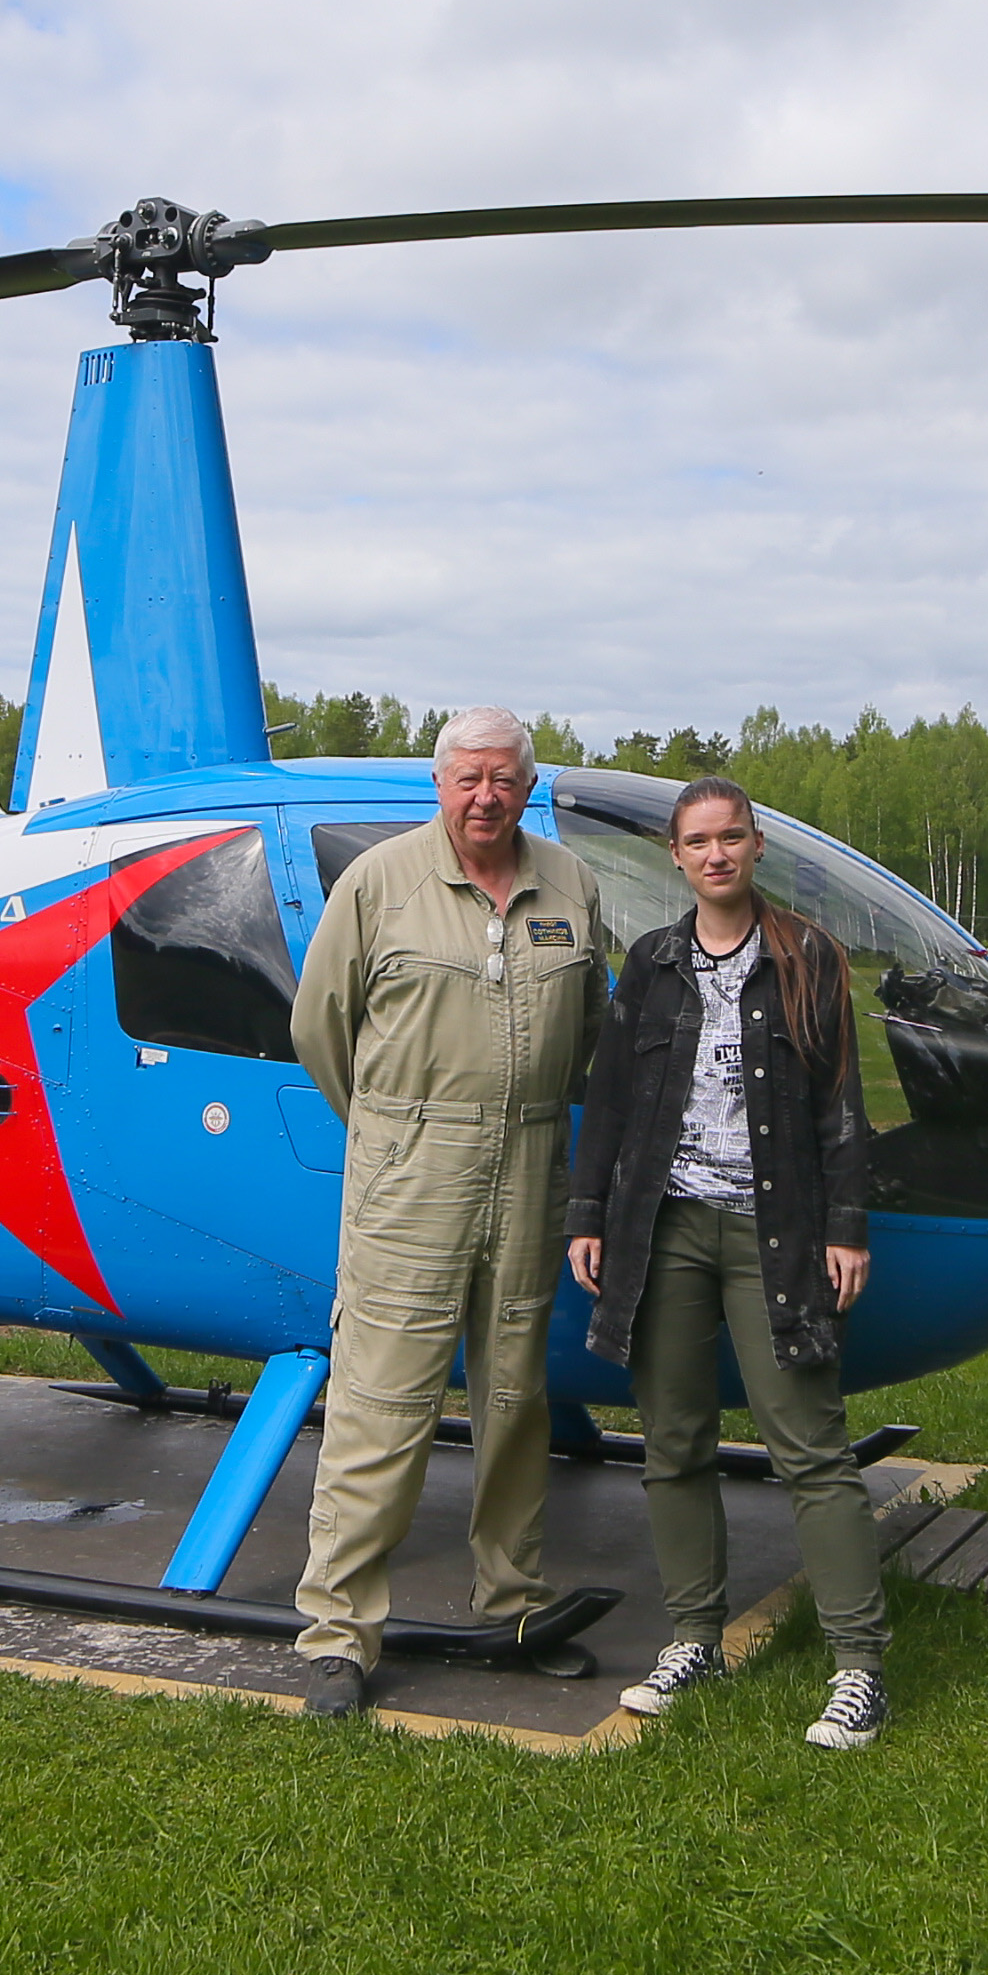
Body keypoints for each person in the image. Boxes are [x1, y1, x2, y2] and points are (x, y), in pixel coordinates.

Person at [282, 710, 611, 1718]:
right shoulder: (380, 883)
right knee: (382, 1405)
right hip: (412, 1175)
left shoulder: (571, 884)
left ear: (527, 784)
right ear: (440, 785)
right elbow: (317, 1027)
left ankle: (512, 1600)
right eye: (467, 779)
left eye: (503, 780)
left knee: (514, 1401)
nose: (485, 797)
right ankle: (338, 1634)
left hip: (529, 1171)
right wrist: (400, 1130)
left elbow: (589, 1027)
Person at [566, 777, 889, 1751]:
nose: (716, 854)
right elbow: (612, 1101)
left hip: (774, 1233)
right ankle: (695, 1639)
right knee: (672, 1442)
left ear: (756, 848)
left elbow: (841, 1102)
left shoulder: (805, 958)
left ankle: (859, 1666)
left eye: (732, 838)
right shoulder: (652, 963)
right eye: (698, 841)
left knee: (812, 1449)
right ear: (677, 856)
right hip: (663, 1228)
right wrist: (589, 1216)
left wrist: (847, 1226)